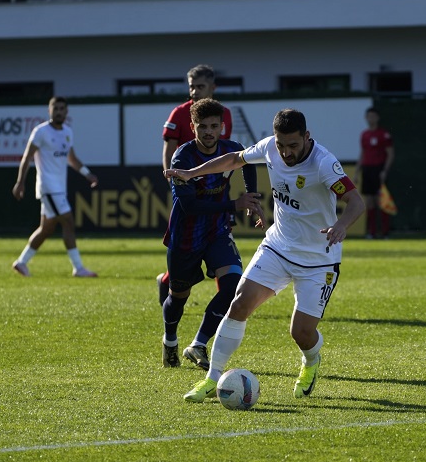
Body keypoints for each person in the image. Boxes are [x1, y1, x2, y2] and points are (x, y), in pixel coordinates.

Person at [165, 109, 365, 401]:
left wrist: (341, 225)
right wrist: (191, 173)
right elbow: (235, 159)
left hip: (318, 260)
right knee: (240, 302)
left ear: (307, 137)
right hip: (278, 247)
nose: (286, 152)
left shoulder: (324, 163)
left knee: (301, 333)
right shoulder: (270, 147)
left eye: (293, 145)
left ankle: (311, 360)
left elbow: (356, 201)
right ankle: (212, 379)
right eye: (281, 144)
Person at [161, 98, 263, 370]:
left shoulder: (232, 149)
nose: (208, 132)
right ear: (192, 127)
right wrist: (234, 204)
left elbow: (249, 162)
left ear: (222, 127)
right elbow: (190, 206)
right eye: (202, 126)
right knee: (177, 298)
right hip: (186, 235)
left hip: (217, 231)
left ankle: (198, 344)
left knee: (232, 286)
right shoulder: (182, 157)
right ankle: (170, 340)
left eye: (214, 126)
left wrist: (250, 196)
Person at [157, 63, 252, 305]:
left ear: (213, 87)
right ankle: (169, 281)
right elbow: (169, 148)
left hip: (217, 188)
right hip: (188, 188)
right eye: (191, 87)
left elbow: (226, 155)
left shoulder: (224, 113)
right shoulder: (179, 113)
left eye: (200, 87)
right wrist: (173, 178)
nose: (194, 92)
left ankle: (225, 299)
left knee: (219, 240)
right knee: (188, 242)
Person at [11, 96, 98, 278]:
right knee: (68, 221)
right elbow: (27, 157)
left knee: (47, 228)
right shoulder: (40, 131)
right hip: (48, 187)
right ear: (49, 111)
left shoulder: (67, 131)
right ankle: (78, 268)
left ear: (66, 112)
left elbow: (72, 159)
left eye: (61, 109)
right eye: (55, 108)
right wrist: (20, 182)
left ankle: (21, 262)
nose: (58, 112)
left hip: (59, 188)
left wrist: (87, 174)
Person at [354, 107, 394, 239]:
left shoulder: (384, 134)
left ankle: (385, 232)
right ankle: (371, 232)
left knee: (381, 201)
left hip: (379, 169)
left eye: (373, 116)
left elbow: (390, 154)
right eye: (369, 116)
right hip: (367, 169)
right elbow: (362, 153)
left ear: (377, 118)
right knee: (369, 201)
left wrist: (384, 171)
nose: (371, 119)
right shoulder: (364, 135)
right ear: (366, 118)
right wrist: (357, 171)